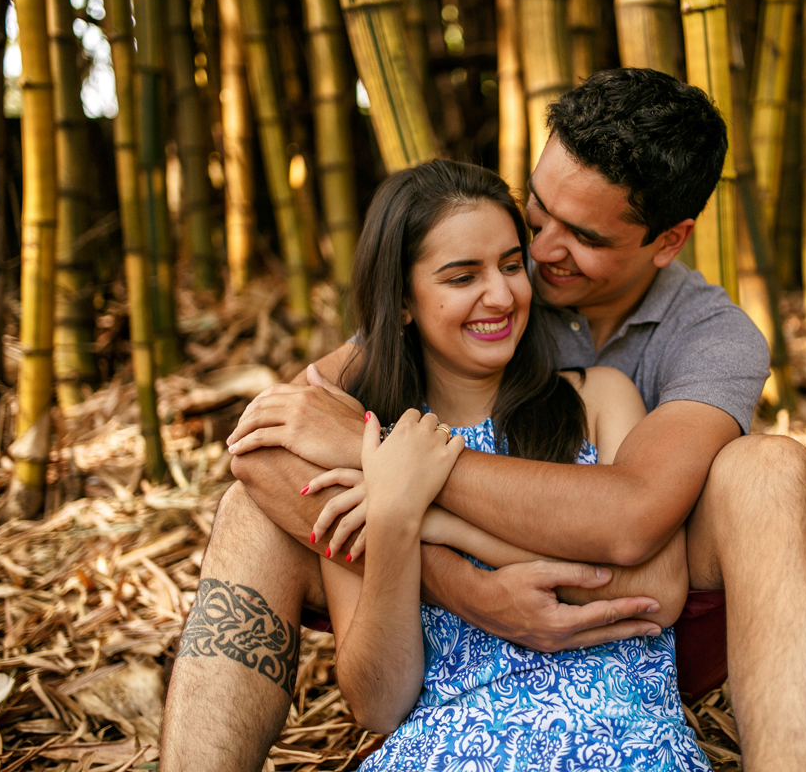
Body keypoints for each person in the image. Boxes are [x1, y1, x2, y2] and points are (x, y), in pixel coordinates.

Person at [160, 68, 806, 772]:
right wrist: (464, 585)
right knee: (249, 512)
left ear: (668, 241)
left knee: (772, 468)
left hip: (645, 613)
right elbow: (265, 444)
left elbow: (634, 520)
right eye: (538, 210)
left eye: (582, 235)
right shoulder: (485, 270)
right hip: (432, 620)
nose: (541, 253)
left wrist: (403, 468)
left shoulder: (709, 338)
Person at [297, 158, 708, 769]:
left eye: (512, 266)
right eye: (463, 277)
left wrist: (438, 522)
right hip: (445, 754)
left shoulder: (597, 399)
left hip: (621, 744)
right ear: (403, 301)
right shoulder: (374, 450)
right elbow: (379, 706)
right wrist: (393, 524)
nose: (502, 294)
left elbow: (659, 590)